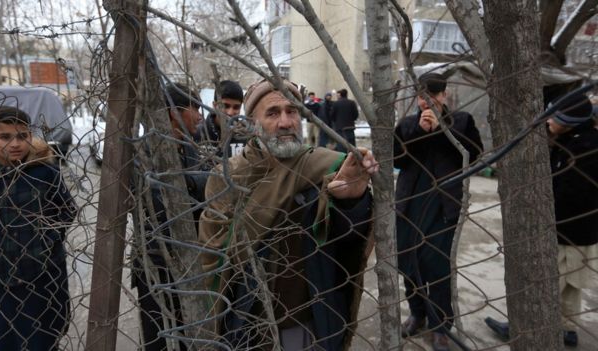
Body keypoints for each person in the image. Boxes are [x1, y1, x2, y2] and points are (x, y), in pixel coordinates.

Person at [199, 77, 379, 350]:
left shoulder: (328, 168)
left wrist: (352, 200)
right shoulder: (227, 178)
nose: (285, 122)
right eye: (272, 113)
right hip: (245, 323)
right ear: (252, 124)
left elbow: (347, 241)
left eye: (292, 110)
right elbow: (213, 258)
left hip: (305, 324)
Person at [485, 93, 598, 347]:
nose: (549, 122)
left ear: (569, 122)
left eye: (554, 119)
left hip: (567, 231)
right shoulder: (575, 141)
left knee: (548, 282)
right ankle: (566, 329)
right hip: (581, 231)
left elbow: (570, 193)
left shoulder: (584, 149)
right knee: (568, 285)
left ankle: (522, 327)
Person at [0, 106, 76, 350]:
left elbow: (66, 209)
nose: (15, 144)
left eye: (22, 135)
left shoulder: (44, 171)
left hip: (42, 273)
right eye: (5, 137)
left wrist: (46, 240)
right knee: (3, 340)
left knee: (43, 339)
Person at [394, 73, 483, 351]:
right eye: (421, 96)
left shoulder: (462, 120)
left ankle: (441, 326)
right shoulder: (407, 124)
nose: (426, 102)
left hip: (443, 205)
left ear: (443, 95)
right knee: (409, 264)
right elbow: (396, 158)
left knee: (438, 267)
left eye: (432, 95)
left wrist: (442, 131)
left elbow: (474, 152)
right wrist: (419, 132)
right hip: (410, 203)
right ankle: (417, 313)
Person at [132, 83, 209, 351]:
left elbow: (206, 193)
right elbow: (155, 201)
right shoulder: (143, 151)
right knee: (157, 337)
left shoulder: (191, 147)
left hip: (190, 257)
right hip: (155, 260)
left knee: (193, 330)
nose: (200, 115)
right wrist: (194, 184)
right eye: (194, 108)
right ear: (172, 112)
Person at [201, 80, 247, 157]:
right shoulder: (198, 133)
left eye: (236, 107)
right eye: (225, 106)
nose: (230, 112)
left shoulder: (245, 136)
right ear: (215, 105)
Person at [330, 89, 359, 153]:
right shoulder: (352, 103)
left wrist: (336, 121)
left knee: (341, 145)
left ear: (340, 95)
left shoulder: (336, 103)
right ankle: (353, 158)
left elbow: (332, 115)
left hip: (340, 128)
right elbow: (356, 115)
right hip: (350, 127)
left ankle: (343, 159)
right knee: (352, 145)